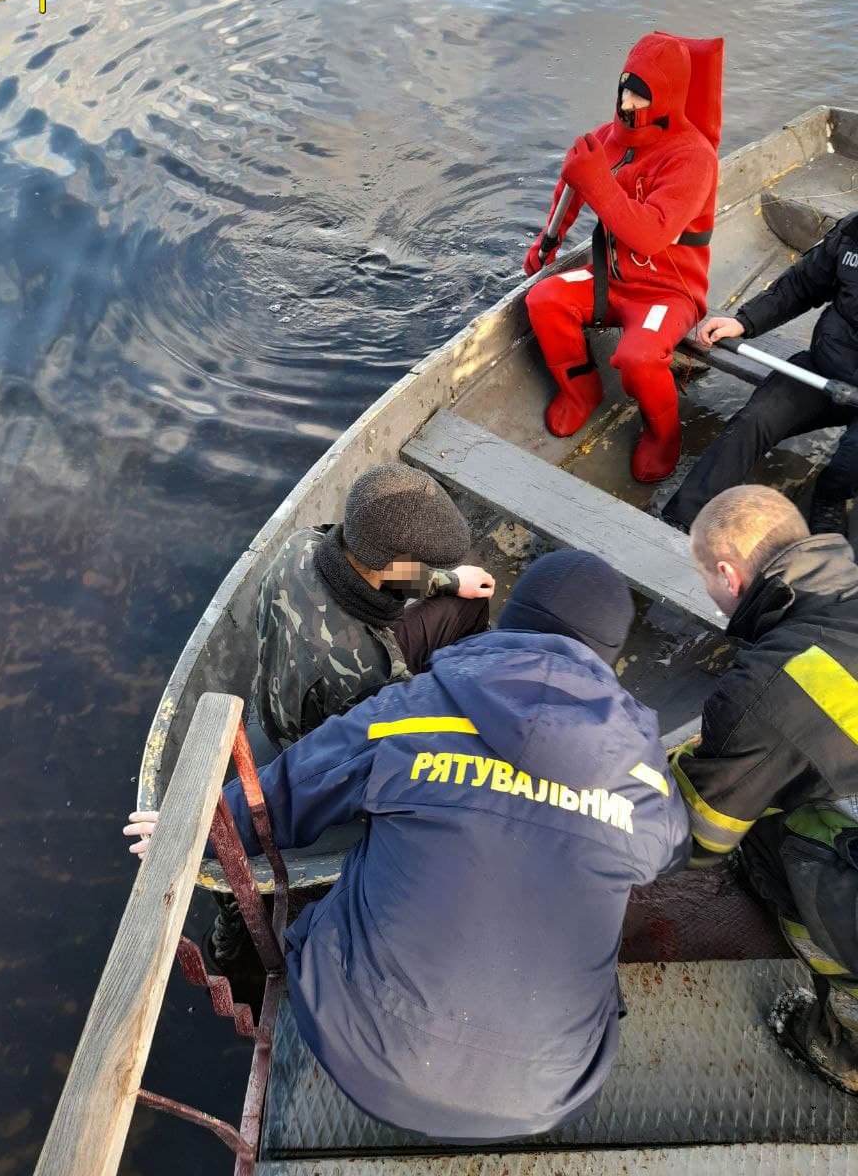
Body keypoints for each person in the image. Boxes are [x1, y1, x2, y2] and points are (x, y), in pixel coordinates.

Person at [127, 550, 690, 1139]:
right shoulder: (645, 778)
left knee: (358, 861)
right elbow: (669, 853)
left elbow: (289, 793)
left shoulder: (414, 709)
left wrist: (192, 825)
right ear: (607, 656)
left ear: (512, 622)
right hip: (549, 1092)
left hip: (357, 1047)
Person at [670, 484, 858, 1091]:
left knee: (770, 832)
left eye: (705, 579)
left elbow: (699, 841)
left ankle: (845, 1041)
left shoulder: (760, 690)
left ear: (728, 574)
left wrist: (690, 767)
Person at [523, 31, 723, 484]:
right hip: (611, 279)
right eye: (625, 88)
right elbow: (571, 187)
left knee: (639, 356)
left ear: (667, 96)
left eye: (642, 94)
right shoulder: (608, 137)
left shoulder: (694, 158)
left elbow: (651, 236)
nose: (629, 103)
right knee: (544, 300)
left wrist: (597, 182)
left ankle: (664, 433)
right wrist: (546, 245)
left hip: (668, 294)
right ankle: (581, 391)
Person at [255, 461, 494, 749]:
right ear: (396, 565)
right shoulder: (371, 670)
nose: (429, 570)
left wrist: (451, 581)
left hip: (274, 705)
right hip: (314, 744)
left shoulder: (301, 543)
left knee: (470, 600)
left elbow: (388, 571)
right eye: (426, 565)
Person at [662, 211, 858, 536]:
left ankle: (831, 497)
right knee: (754, 419)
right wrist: (745, 321)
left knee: (850, 459)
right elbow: (802, 284)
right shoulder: (854, 230)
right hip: (825, 368)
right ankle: (684, 519)